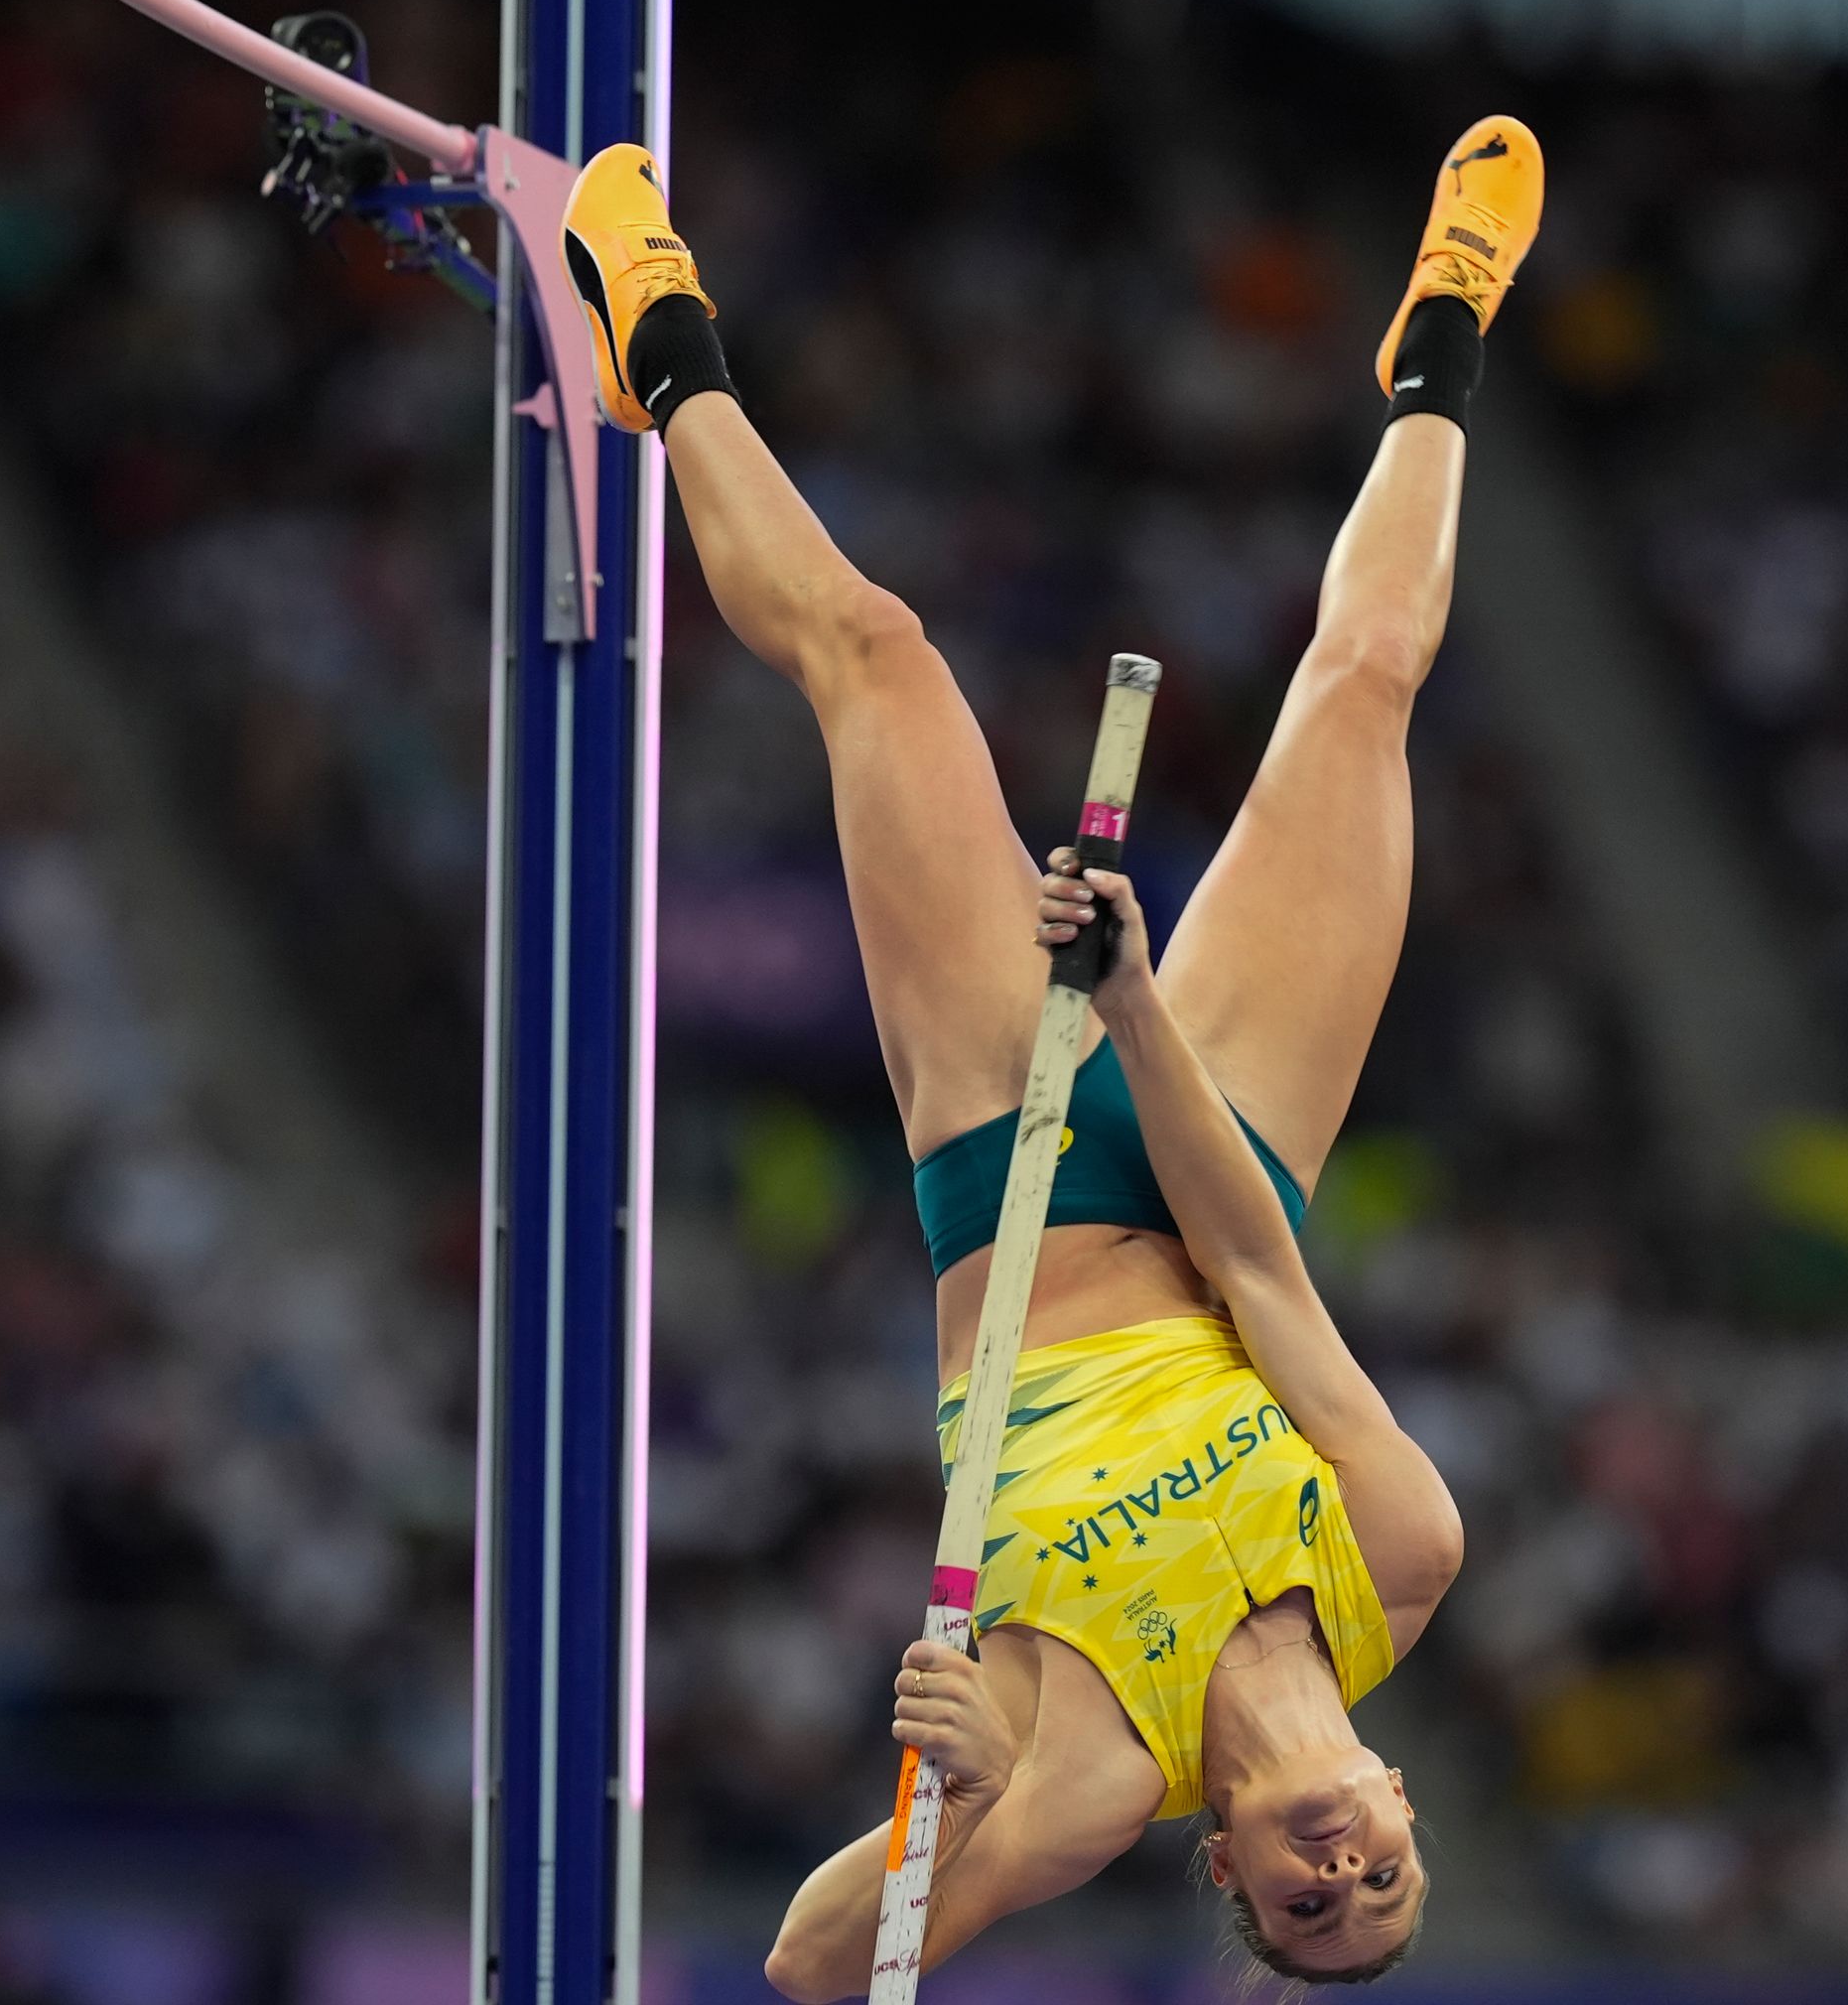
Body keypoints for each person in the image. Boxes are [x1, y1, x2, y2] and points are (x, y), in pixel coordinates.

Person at [559, 114, 1543, 1991]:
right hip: (1211, 1135)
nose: (1341, 1873)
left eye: (1306, 1909)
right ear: (1406, 1804)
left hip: (1005, 1166)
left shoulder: (1091, 1784)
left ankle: (663, 358)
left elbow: (809, 1963)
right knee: (1364, 693)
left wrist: (952, 1802)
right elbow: (1256, 1263)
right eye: (1383, 1883)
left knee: (874, 652)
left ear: (1235, 1884)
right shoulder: (1399, 1554)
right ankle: (1442, 340)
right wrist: (1135, 995)